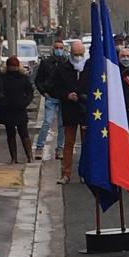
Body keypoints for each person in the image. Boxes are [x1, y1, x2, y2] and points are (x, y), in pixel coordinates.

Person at [53, 40, 89, 184]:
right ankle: (66, 173)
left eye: (81, 54)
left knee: (87, 143)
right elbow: (55, 87)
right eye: (76, 54)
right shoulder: (63, 68)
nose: (78, 57)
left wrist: (82, 96)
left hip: (86, 109)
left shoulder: (89, 67)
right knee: (68, 143)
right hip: (69, 109)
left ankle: (85, 172)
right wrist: (66, 95)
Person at [34, 40, 68, 159]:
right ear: (53, 49)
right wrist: (44, 92)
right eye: (57, 47)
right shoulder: (46, 63)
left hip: (63, 98)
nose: (59, 50)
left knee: (62, 124)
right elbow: (38, 79)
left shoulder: (66, 63)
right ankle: (39, 147)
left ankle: (60, 148)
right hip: (51, 97)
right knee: (47, 122)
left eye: (61, 47)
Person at [0, 56, 35, 164]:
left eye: (15, 66)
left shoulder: (23, 78)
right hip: (7, 109)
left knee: (24, 133)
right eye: (11, 66)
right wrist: (2, 101)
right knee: (10, 134)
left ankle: (29, 156)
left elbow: (30, 92)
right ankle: (14, 158)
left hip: (20, 108)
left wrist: (25, 103)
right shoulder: (3, 78)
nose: (13, 68)